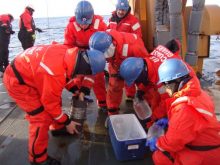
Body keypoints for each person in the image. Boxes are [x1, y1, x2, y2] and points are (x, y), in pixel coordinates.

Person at [3, 43, 106, 165]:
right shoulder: (53, 72)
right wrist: (67, 122)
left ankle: (57, 128)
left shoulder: (70, 54)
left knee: (55, 100)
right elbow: (50, 103)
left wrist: (75, 90)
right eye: (84, 74)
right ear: (84, 69)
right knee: (41, 118)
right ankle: (38, 159)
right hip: (18, 82)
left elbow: (65, 74)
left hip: (29, 74)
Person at [146, 58, 220, 165]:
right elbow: (193, 122)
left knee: (159, 157)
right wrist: (169, 121)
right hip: (209, 147)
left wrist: (157, 143)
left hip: (202, 155)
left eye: (166, 86)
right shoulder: (198, 92)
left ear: (173, 83)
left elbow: (173, 142)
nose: (166, 90)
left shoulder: (184, 106)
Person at [119, 39, 196, 128]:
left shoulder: (161, 76)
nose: (137, 83)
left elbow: (166, 102)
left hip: (184, 83)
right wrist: (141, 90)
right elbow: (148, 76)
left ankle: (161, 126)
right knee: (156, 100)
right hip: (174, 75)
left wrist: (155, 117)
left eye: (136, 80)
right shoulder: (149, 60)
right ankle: (151, 124)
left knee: (176, 111)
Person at [89, 29, 149, 117]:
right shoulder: (100, 43)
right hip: (115, 61)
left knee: (144, 83)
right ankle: (112, 112)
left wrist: (141, 90)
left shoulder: (135, 48)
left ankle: (149, 111)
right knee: (114, 86)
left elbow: (146, 67)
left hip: (135, 62)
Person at [64, 0, 108, 111]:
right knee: (78, 79)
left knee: (98, 79)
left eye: (86, 22)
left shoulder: (101, 25)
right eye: (81, 23)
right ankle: (80, 98)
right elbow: (68, 46)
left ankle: (102, 103)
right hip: (78, 56)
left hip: (96, 55)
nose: (83, 25)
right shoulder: (70, 27)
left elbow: (106, 42)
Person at [108, 0, 142, 101]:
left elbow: (138, 36)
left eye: (123, 10)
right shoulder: (111, 19)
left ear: (127, 10)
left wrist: (121, 38)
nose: (120, 12)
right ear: (116, 8)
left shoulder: (133, 21)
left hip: (127, 52)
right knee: (113, 72)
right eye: (119, 9)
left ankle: (130, 93)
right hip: (115, 52)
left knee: (129, 72)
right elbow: (107, 32)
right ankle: (113, 90)